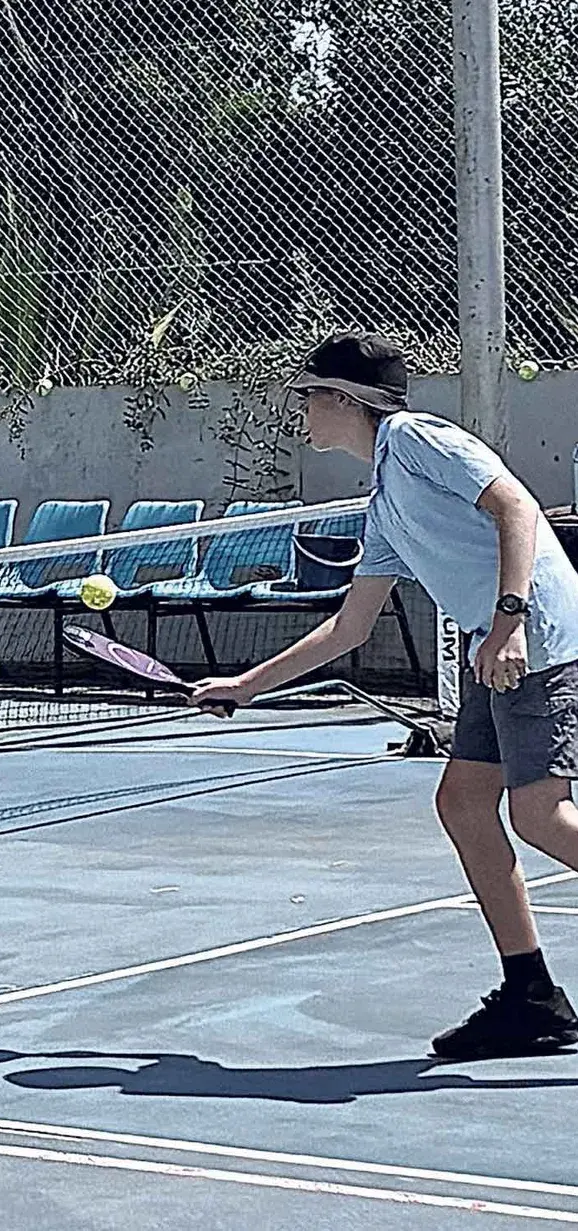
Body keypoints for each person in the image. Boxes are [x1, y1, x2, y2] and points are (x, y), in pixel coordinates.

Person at [192, 332, 578, 1060]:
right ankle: (532, 996)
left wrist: (509, 622)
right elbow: (350, 626)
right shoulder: (386, 499)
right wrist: (244, 687)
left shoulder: (416, 437)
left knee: (539, 814)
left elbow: (518, 509)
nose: (303, 409)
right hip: (491, 648)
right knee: (463, 802)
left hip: (537, 638)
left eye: (310, 395)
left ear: (345, 399)